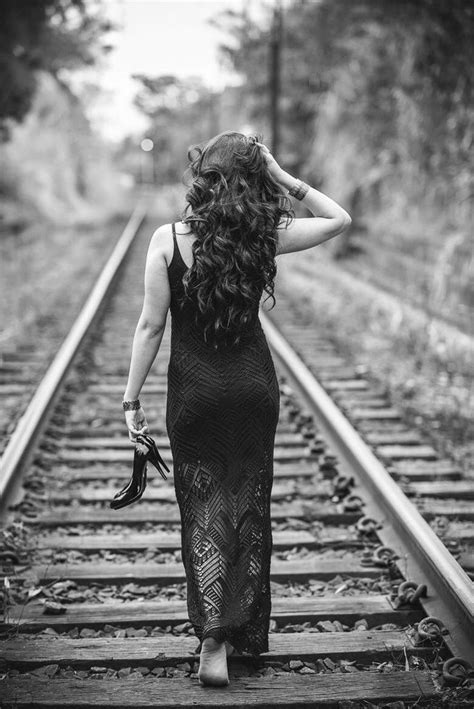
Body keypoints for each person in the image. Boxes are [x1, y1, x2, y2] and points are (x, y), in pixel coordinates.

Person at [122, 131, 351, 687]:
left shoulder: (167, 239)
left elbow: (151, 326)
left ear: (205, 178)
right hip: (252, 390)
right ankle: (242, 627)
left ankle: (212, 639)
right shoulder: (264, 236)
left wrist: (131, 401)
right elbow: (338, 219)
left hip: (194, 395)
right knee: (248, 507)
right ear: (255, 182)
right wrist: (281, 175)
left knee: (204, 510)